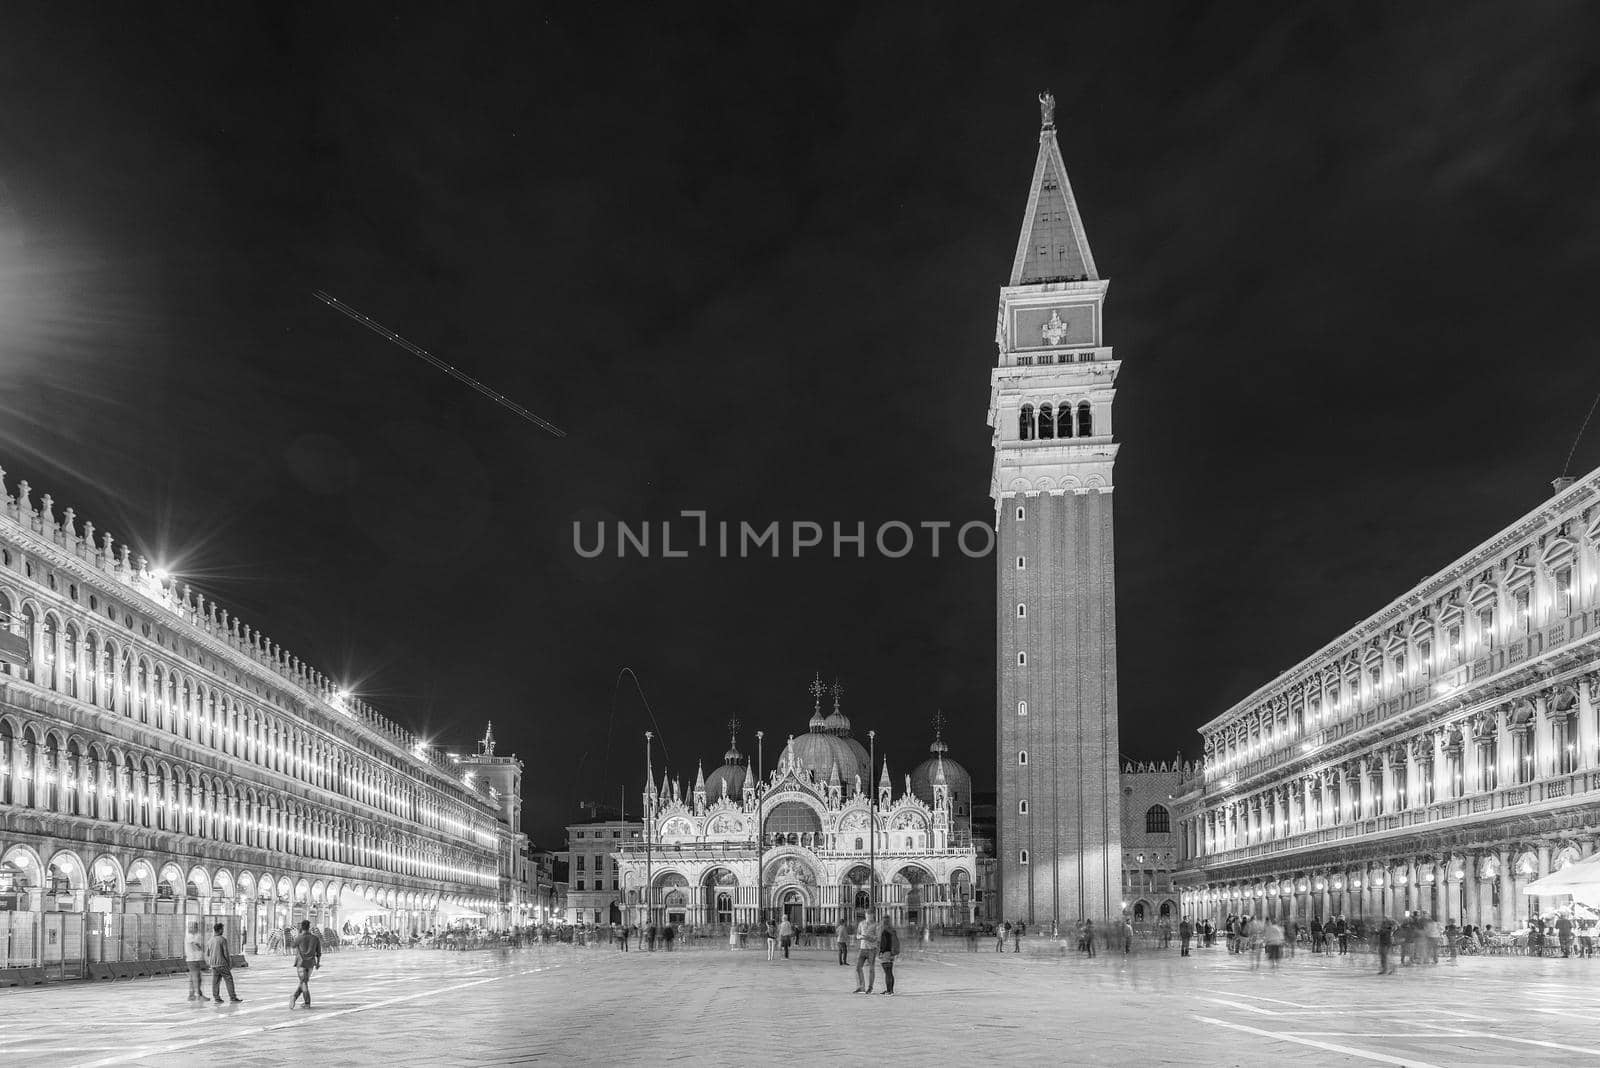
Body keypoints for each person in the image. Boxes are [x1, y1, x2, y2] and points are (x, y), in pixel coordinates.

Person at [206, 923, 243, 1004]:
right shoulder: (222, 939)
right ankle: (233, 997)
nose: (223, 931)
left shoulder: (210, 940)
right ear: (219, 930)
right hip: (222, 963)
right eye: (222, 929)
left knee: (215, 981)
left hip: (213, 964)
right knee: (229, 979)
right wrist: (229, 962)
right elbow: (225, 952)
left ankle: (217, 998)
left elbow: (207, 953)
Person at [289, 920, 322, 1009]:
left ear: (301, 928)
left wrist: (295, 935)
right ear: (309, 927)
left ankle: (306, 1002)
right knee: (304, 982)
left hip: (301, 963)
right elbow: (318, 952)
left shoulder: (299, 938)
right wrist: (318, 963)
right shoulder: (315, 938)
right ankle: (294, 997)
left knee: (303, 982)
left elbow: (292, 945)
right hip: (311, 963)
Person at [853, 911, 880, 994]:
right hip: (862, 948)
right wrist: (861, 937)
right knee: (858, 968)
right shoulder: (861, 923)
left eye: (870, 916)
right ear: (865, 916)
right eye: (867, 916)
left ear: (873, 916)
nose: (868, 918)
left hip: (871, 949)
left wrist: (869, 938)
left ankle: (870, 988)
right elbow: (857, 935)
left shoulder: (876, 925)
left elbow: (877, 937)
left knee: (871, 969)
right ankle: (861, 987)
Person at [184, 920, 206, 1003]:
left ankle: (191, 995)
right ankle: (198, 995)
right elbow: (195, 945)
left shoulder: (194, 935)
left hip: (194, 959)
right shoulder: (190, 936)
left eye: (195, 927)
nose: (195, 928)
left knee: (193, 978)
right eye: (193, 927)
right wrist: (201, 948)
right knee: (196, 978)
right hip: (193, 959)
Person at [878, 918, 901, 995]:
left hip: (886, 953)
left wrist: (881, 952)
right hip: (892, 953)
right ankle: (891, 990)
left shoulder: (885, 932)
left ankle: (889, 991)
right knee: (890, 972)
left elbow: (884, 944)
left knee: (887, 973)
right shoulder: (893, 931)